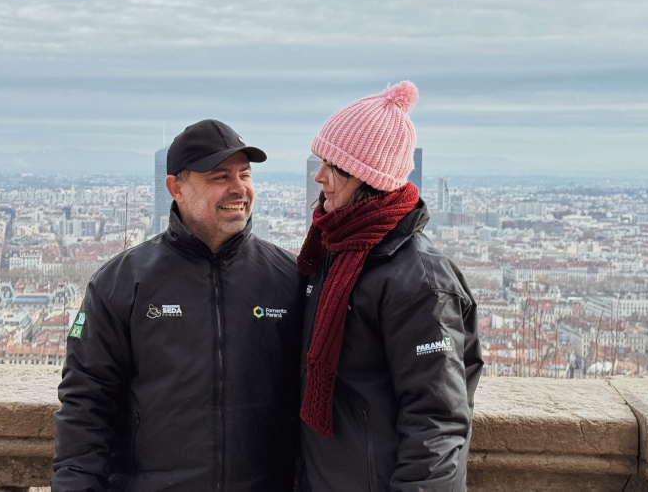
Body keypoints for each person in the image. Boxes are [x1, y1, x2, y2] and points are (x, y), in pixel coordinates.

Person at [53, 119, 303, 491]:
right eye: (220, 177)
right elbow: (86, 405)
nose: (239, 189)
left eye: (245, 175)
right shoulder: (121, 282)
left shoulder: (290, 278)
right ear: (177, 188)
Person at [297, 81, 483, 491]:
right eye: (320, 161)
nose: (320, 176)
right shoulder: (333, 250)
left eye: (334, 166)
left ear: (368, 178)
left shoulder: (420, 281)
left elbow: (437, 422)